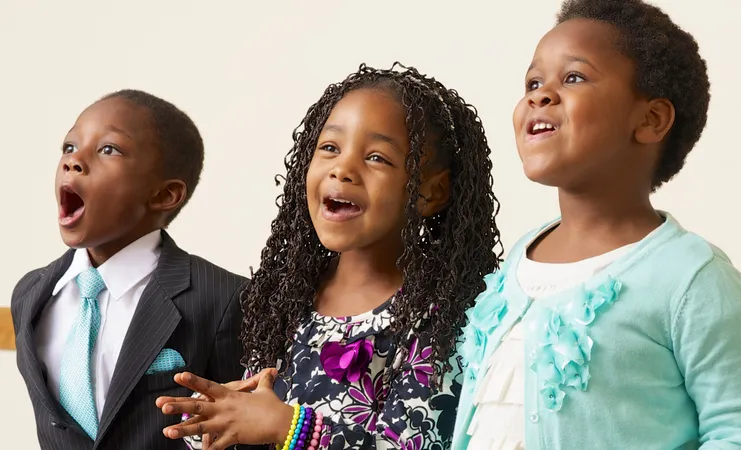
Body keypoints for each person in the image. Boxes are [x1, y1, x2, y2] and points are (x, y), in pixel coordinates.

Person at [452, 0, 741, 448]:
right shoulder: (521, 256)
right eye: (533, 81)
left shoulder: (693, 279)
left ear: (650, 119)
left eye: (573, 77)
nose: (539, 95)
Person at [156, 63, 502, 450]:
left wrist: (289, 427)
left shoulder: (441, 316)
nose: (343, 169)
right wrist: (219, 417)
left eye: (377, 158)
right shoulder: (287, 298)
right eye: (330, 148)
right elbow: (258, 421)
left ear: (431, 193)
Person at [11, 90, 248, 450]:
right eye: (69, 146)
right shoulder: (31, 293)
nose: (73, 161)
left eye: (108, 149)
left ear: (164, 195)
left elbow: (247, 433)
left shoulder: (224, 299)